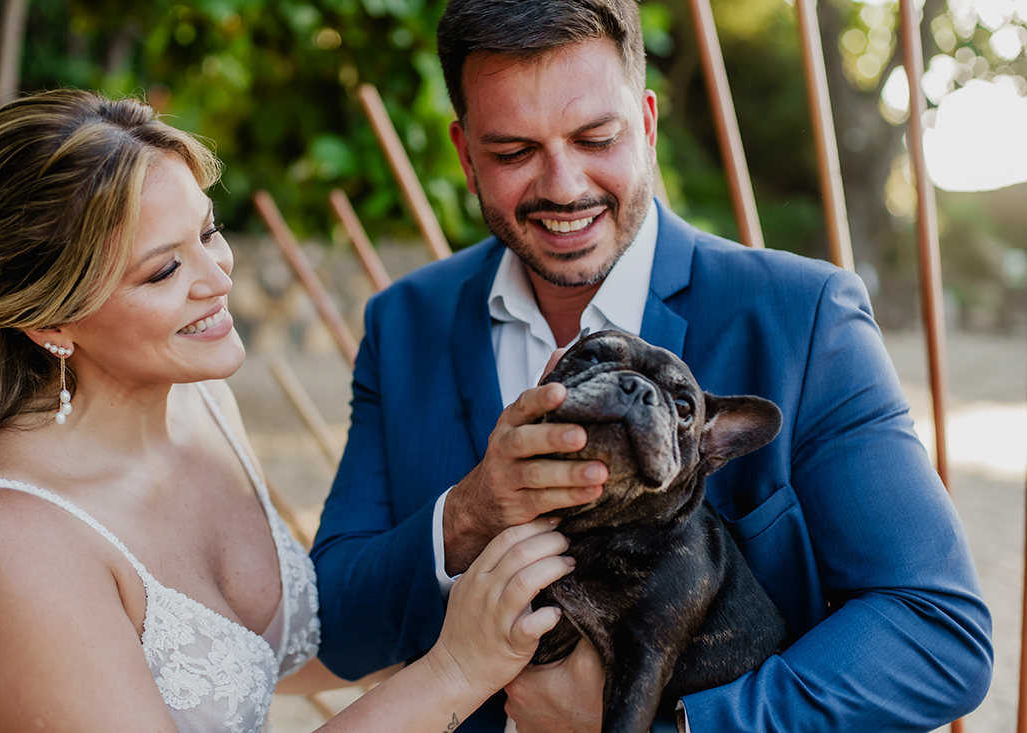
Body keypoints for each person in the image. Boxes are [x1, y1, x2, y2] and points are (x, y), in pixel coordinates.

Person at [309, 0, 994, 730]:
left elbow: (937, 629)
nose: (563, 186)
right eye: (513, 152)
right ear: (465, 152)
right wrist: (472, 511)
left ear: (646, 123)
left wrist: (678, 726)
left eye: (596, 138)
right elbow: (331, 625)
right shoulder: (403, 323)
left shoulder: (803, 314)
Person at [0, 88, 578, 733]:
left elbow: (273, 656)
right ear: (52, 321)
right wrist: (453, 673)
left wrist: (478, 516)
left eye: (208, 231)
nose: (217, 275)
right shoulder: (6, 536)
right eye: (163, 271)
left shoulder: (201, 402)